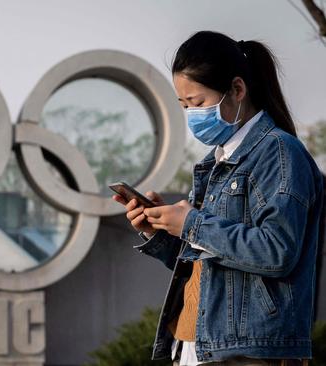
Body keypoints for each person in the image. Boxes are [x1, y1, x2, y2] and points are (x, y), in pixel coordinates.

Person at [113, 31, 324, 365]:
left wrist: (192, 225)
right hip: (194, 343)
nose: (192, 115)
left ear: (237, 90)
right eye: (184, 106)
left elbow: (278, 251)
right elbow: (207, 261)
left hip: (251, 350)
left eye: (197, 103)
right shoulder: (214, 163)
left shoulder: (281, 153)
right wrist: (160, 230)